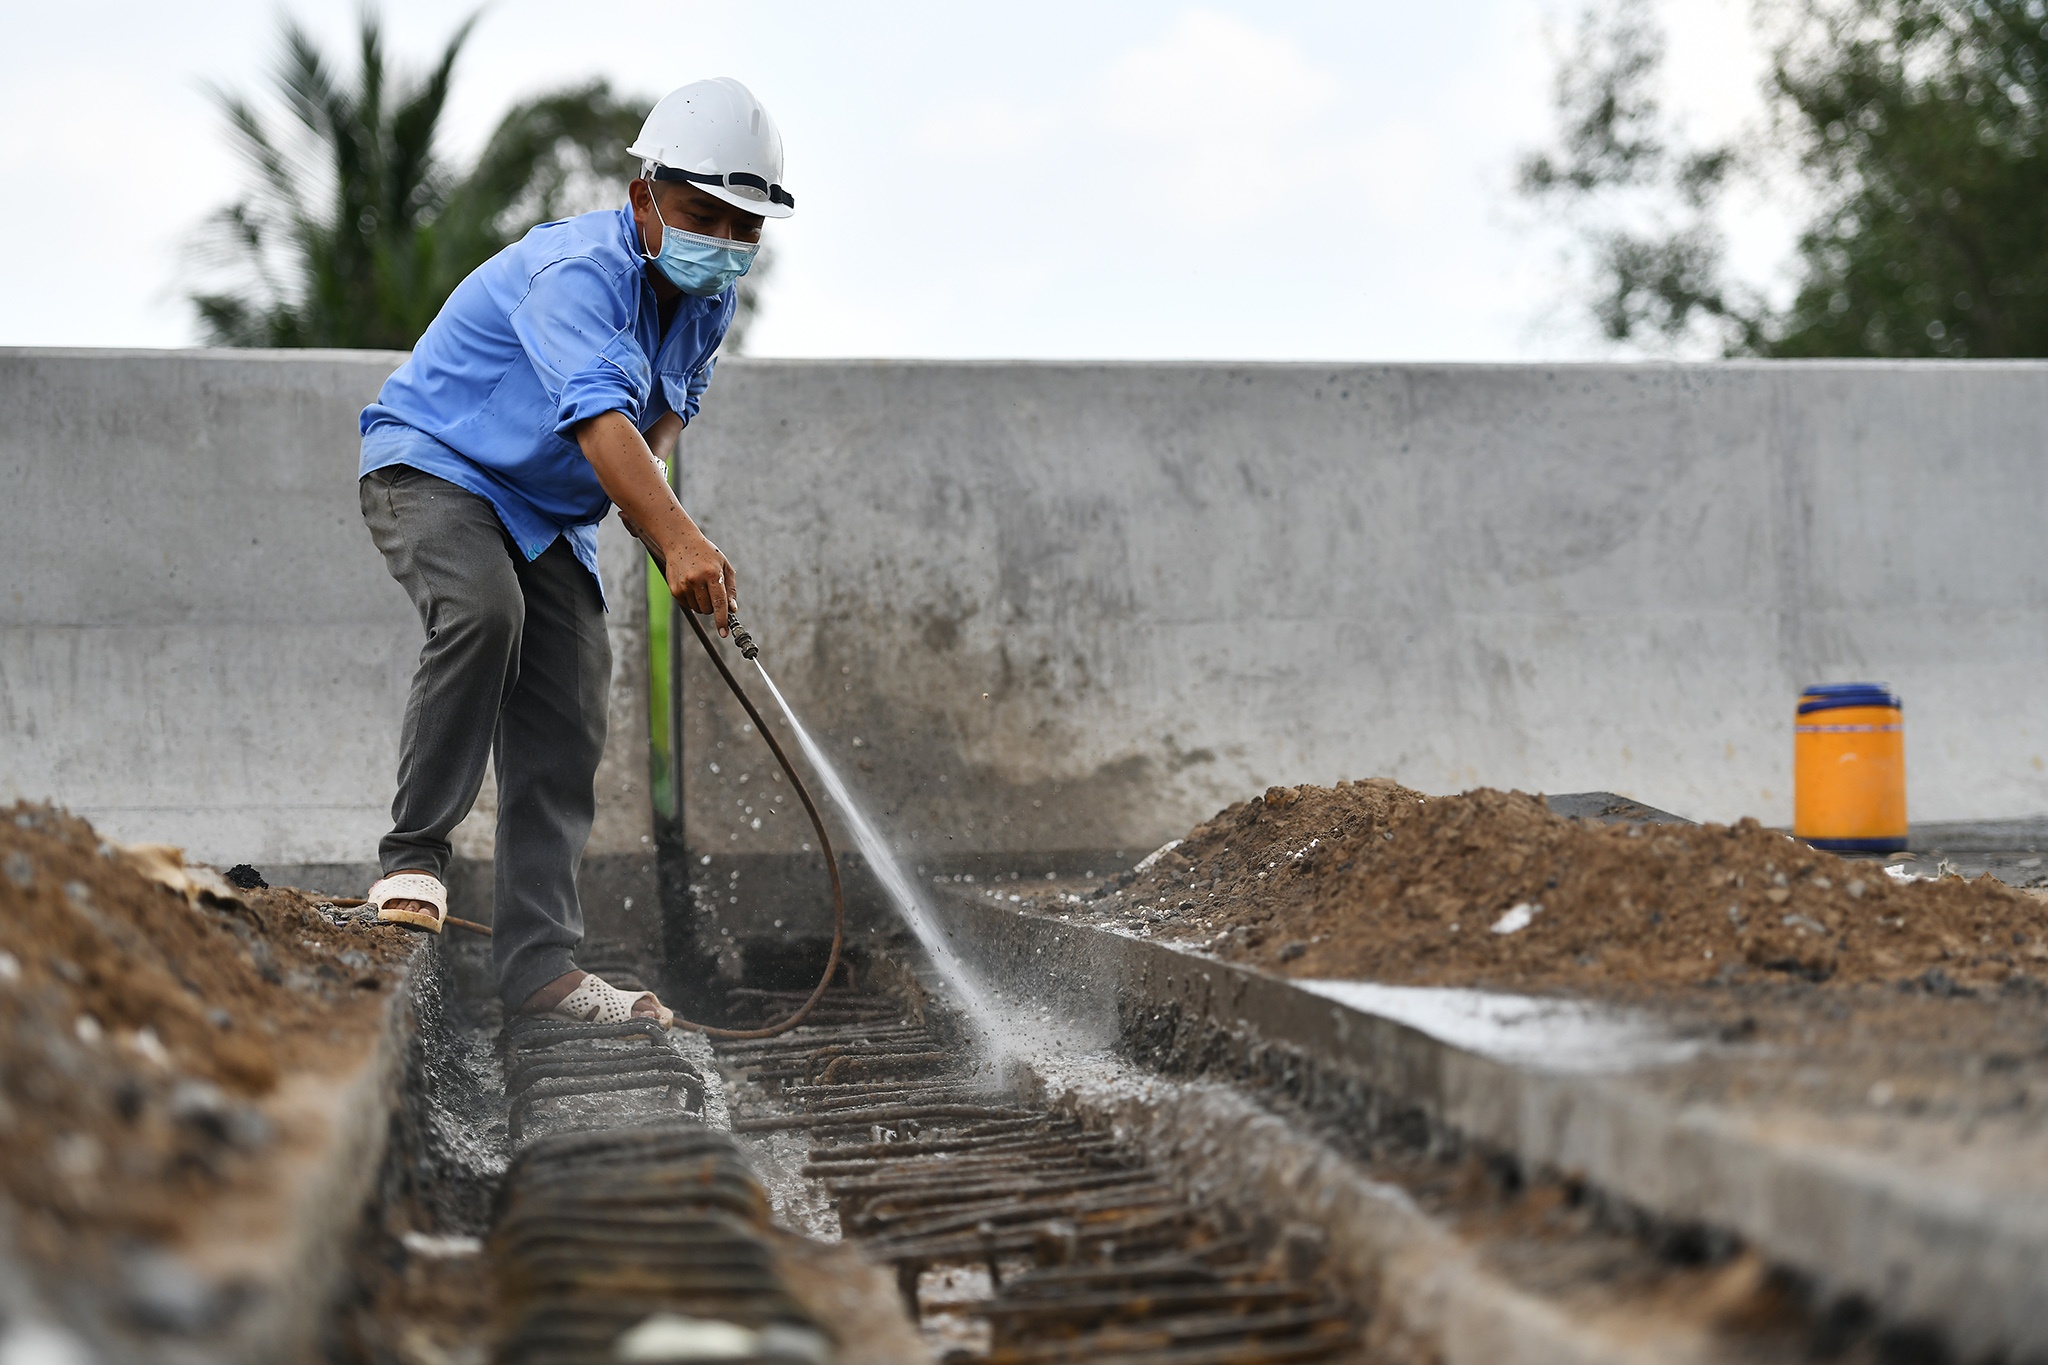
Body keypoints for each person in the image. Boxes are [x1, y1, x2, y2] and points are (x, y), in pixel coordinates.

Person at [353, 77, 794, 1025]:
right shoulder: (577, 272)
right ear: (645, 197)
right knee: (482, 611)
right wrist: (676, 534)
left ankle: (541, 971)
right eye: (700, 214)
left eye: (744, 227)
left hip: (546, 513)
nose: (722, 241)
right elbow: (598, 415)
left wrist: (657, 529)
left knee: (572, 694)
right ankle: (414, 862)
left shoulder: (703, 304)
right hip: (438, 466)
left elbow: (657, 426)